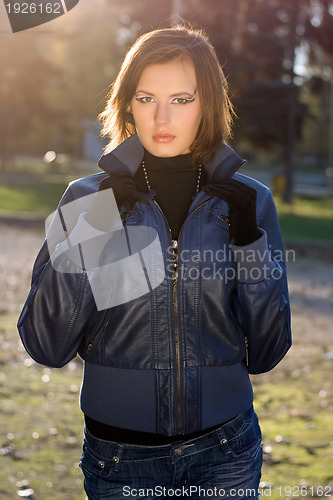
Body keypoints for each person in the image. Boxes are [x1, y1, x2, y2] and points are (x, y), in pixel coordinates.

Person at [18, 25, 291, 499]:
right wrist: (92, 228)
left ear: (207, 103)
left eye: (182, 100)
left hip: (226, 450)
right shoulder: (87, 198)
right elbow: (46, 344)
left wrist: (250, 243)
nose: (162, 116)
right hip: (119, 458)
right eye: (147, 98)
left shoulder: (250, 204)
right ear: (127, 104)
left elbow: (267, 350)